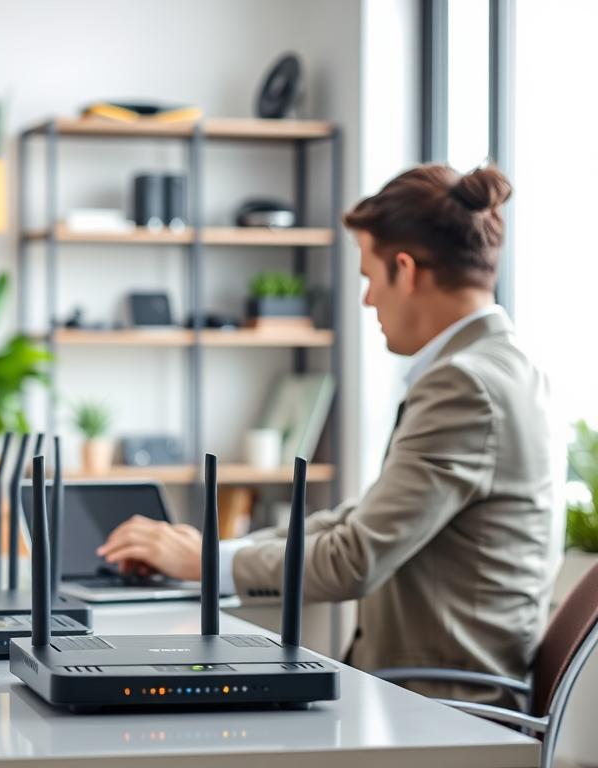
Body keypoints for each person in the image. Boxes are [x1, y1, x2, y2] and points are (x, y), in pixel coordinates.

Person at [98, 164, 562, 699]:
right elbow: (361, 520)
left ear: (406, 271)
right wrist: (213, 551)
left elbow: (354, 559)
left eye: (369, 277)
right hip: (418, 689)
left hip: (444, 703)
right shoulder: (503, 367)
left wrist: (205, 565)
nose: (367, 300)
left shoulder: (466, 385)